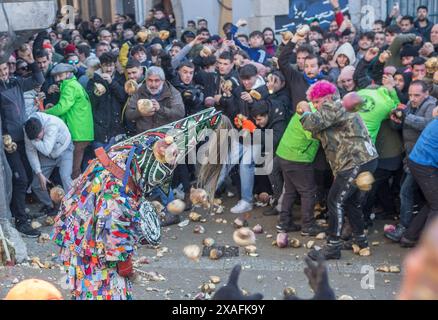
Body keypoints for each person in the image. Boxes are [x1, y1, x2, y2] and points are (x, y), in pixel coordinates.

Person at [52, 108, 225, 300]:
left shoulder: (127, 155)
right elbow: (115, 242)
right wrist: (128, 270)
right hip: (86, 247)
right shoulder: (118, 192)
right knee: (103, 291)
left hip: (80, 235)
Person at [300, 81, 378, 260]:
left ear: (326, 97)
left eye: (316, 102)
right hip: (364, 160)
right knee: (352, 202)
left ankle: (333, 246)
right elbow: (319, 131)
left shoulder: (333, 105)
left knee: (335, 201)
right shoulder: (338, 110)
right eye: (313, 104)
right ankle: (360, 241)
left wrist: (305, 110)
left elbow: (312, 123)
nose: (316, 107)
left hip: (355, 161)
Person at [0, 50, 44, 237]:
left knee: (27, 175)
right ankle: (20, 219)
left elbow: (38, 80)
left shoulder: (15, 82)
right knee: (20, 178)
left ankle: (21, 209)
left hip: (24, 136)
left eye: (5, 69)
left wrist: (31, 61)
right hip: (9, 141)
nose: (3, 74)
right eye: (0, 71)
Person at [45, 63, 94, 179]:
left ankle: (75, 196)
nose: (57, 79)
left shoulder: (70, 86)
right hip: (82, 133)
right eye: (55, 77)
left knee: (73, 171)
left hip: (77, 134)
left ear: (68, 73)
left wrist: (44, 113)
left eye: (60, 76)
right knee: (74, 170)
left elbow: (62, 108)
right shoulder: (72, 84)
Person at [24, 113, 73, 216]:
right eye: (34, 138)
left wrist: (34, 141)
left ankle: (72, 206)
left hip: (64, 150)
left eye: (38, 137)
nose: (37, 139)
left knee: (65, 177)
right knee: (37, 183)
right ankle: (52, 205)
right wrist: (39, 172)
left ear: (43, 128)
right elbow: (30, 151)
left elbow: (46, 149)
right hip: (48, 156)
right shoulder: (27, 129)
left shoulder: (51, 123)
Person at [126, 66, 185, 134]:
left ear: (163, 81)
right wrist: (140, 112)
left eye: (157, 80)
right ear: (146, 80)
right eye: (150, 80)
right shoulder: (139, 91)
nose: (153, 85)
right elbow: (128, 114)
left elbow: (180, 114)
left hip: (165, 134)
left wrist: (161, 109)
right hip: (143, 135)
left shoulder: (172, 92)